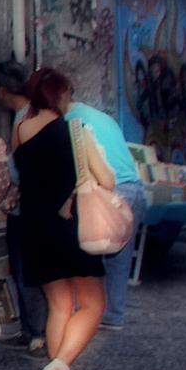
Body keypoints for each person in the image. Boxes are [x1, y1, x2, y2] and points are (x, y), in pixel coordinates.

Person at [13, 67, 114, 370]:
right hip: (70, 226)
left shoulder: (20, 130)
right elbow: (108, 180)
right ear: (61, 95)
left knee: (59, 307)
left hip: (33, 227)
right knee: (93, 304)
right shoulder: (74, 130)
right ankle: (61, 366)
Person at [59, 85, 144, 330]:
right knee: (119, 258)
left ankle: (85, 313)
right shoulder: (103, 117)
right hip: (134, 190)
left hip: (108, 190)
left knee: (87, 252)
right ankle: (113, 316)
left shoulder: (69, 121)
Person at [0, 60, 46, 354]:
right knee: (29, 271)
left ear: (2, 91)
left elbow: (23, 170)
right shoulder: (33, 114)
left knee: (25, 271)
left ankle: (36, 332)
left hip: (26, 209)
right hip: (33, 207)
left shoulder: (25, 120)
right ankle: (35, 329)